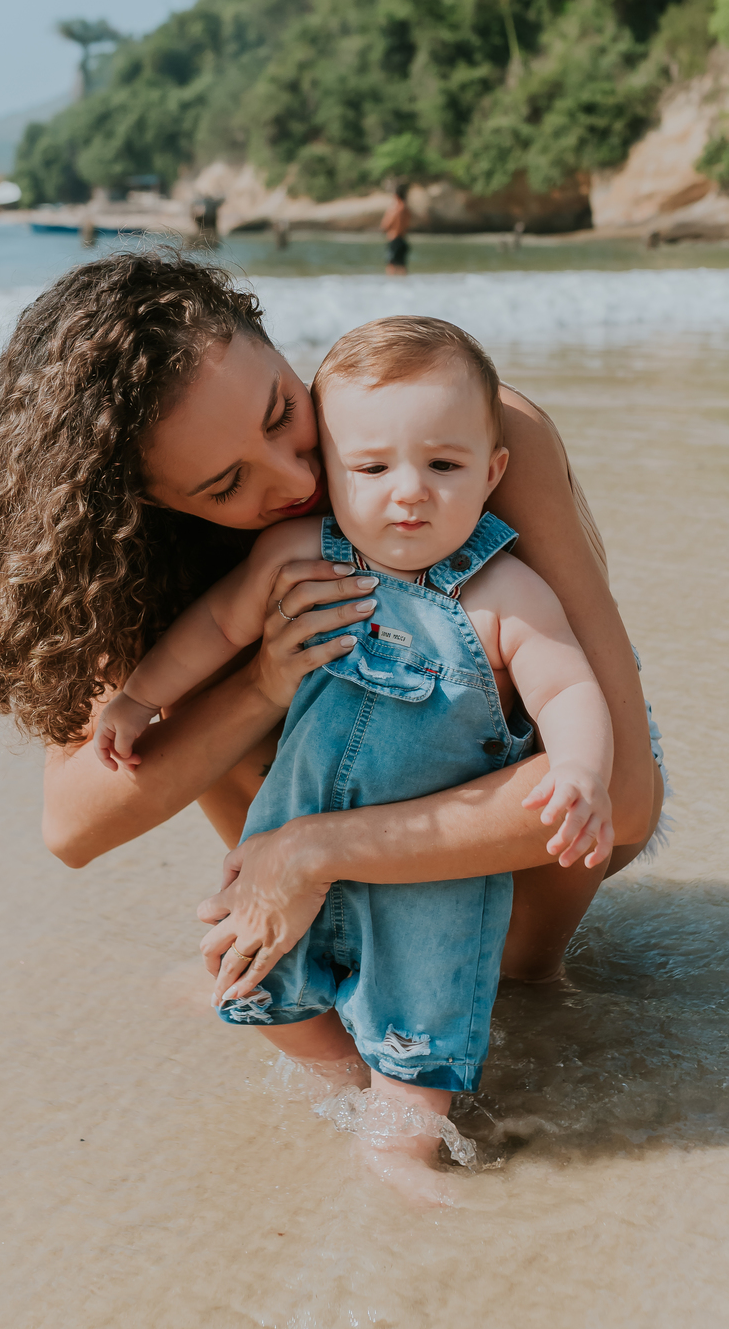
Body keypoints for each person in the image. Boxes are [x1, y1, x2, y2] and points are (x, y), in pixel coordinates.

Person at [0, 250, 666, 1117]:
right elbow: (72, 823)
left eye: (282, 412)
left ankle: (504, 962)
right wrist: (263, 683)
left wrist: (315, 852)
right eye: (226, 484)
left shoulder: (452, 421)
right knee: (201, 689)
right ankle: (325, 964)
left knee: (512, 984)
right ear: (150, 501)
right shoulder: (131, 563)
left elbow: (624, 797)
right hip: (342, 797)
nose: (298, 479)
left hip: (540, 798)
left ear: (266, 333)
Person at [91, 318, 614, 1185]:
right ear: (329, 475)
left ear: (492, 473)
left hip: (429, 875)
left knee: (419, 1028)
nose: (409, 493)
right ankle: (337, 1074)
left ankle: (399, 1151)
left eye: (443, 466)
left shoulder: (505, 593)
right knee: (254, 979)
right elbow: (216, 626)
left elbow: (568, 688)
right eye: (372, 469)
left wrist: (581, 769)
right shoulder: (297, 554)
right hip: (285, 839)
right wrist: (140, 697)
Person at [380, 183, 411, 275]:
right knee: (402, 267)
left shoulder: (394, 209)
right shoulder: (407, 209)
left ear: (396, 195)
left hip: (394, 239)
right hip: (403, 240)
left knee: (391, 266)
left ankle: (391, 284)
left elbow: (385, 226)